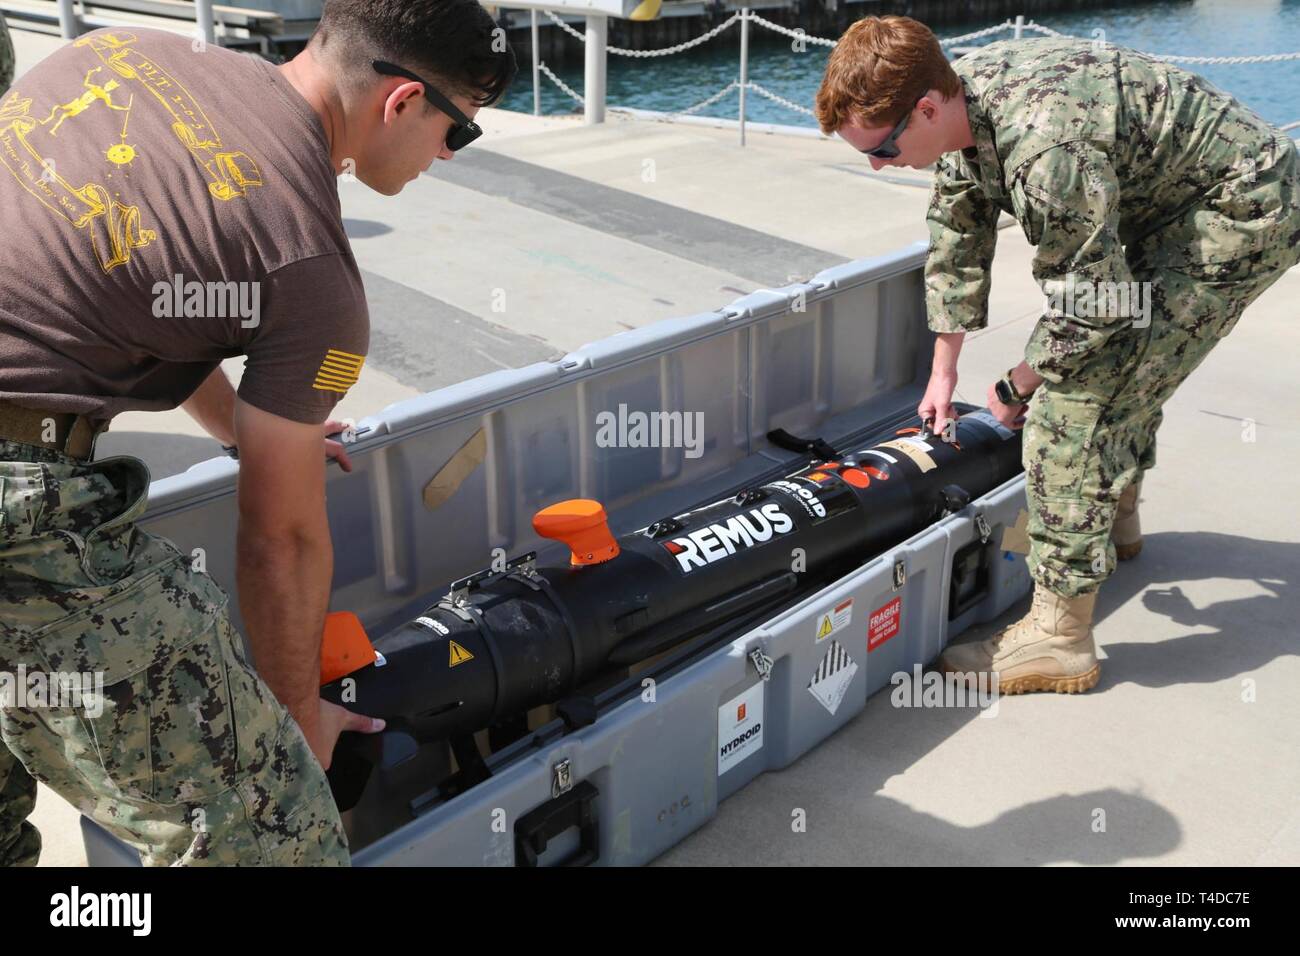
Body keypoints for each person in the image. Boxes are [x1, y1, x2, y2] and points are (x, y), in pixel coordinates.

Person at [0, 0, 515, 865]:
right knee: (275, 844)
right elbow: (280, 540)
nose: (444, 158)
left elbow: (136, 287)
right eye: (456, 133)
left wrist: (250, 426)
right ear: (401, 103)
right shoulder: (313, 274)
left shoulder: (121, 58)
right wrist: (294, 726)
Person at [815, 16, 1300, 693]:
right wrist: (943, 367)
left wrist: (1017, 384)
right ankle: (1113, 519)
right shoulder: (960, 99)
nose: (877, 165)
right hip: (1160, 202)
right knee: (1117, 366)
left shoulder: (1044, 149)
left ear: (926, 108)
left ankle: (1060, 636)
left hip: (1240, 210)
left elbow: (1093, 307)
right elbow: (957, 227)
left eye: (884, 151)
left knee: (1074, 407)